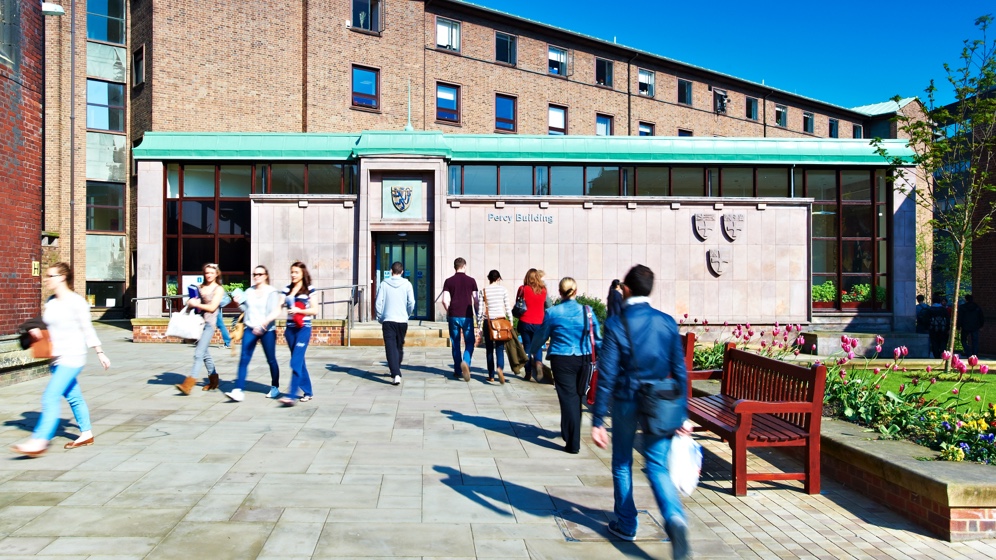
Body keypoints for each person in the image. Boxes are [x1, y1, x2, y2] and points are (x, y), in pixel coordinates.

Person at [591, 264, 690, 558]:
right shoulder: (667, 322)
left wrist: (598, 419)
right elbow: (679, 370)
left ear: (627, 289)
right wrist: (683, 413)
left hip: (626, 399)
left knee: (622, 461)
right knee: (657, 466)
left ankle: (626, 522)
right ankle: (674, 517)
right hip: (660, 402)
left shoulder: (617, 323)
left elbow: (607, 373)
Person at [10, 263, 112, 457]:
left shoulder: (77, 302)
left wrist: (100, 352)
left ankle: (39, 441)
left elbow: (87, 329)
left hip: (72, 356)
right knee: (74, 397)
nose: (47, 279)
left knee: (50, 396)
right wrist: (35, 330)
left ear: (62, 277)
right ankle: (86, 433)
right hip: (56, 358)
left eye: (51, 275)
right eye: (47, 275)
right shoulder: (51, 301)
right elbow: (46, 324)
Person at [529, 277, 601, 453]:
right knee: (577, 397)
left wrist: (532, 349)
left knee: (568, 398)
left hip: (561, 359)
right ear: (576, 291)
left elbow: (542, 334)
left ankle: (572, 440)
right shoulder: (588, 311)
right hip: (584, 359)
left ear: (560, 293)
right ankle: (571, 434)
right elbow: (597, 337)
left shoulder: (553, 312)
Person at [225, 266, 282, 402]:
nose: (256, 276)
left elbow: (272, 312)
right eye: (254, 274)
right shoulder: (249, 291)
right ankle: (238, 390)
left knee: (271, 359)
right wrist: (238, 303)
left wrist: (263, 325)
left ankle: (275, 387)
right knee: (244, 358)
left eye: (260, 274)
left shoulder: (271, 292)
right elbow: (246, 309)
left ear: (265, 276)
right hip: (250, 328)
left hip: (267, 329)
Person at [175, 263, 225, 394]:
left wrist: (198, 304)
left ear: (216, 274)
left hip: (209, 325)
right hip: (197, 324)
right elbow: (190, 302)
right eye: (206, 273)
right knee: (205, 354)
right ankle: (214, 381)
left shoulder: (218, 289)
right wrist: (190, 303)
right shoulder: (200, 287)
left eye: (211, 273)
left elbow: (213, 307)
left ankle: (188, 385)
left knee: (198, 354)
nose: (208, 275)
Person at [278, 261, 317, 405]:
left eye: (296, 272)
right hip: (290, 330)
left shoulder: (309, 289)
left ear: (303, 274)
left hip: (303, 329)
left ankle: (292, 394)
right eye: (292, 272)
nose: (293, 275)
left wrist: (299, 310)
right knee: (299, 361)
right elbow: (279, 305)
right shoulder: (287, 289)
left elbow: (314, 310)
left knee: (295, 361)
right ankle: (308, 391)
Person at [376, 261, 416, 386]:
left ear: (390, 270)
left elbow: (378, 302)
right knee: (399, 346)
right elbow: (412, 302)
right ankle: (396, 370)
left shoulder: (384, 284)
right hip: (402, 320)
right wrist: (407, 314)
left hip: (388, 320)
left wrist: (379, 317)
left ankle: (395, 372)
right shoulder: (407, 284)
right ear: (402, 271)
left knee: (390, 346)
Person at [441, 257, 479, 382]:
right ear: (465, 266)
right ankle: (466, 362)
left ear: (455, 267)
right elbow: (476, 300)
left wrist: (449, 311)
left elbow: (444, 300)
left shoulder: (449, 281)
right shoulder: (471, 281)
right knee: (469, 342)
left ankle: (458, 370)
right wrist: (477, 314)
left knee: (455, 343)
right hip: (467, 315)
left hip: (453, 315)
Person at [516, 268, 547, 382]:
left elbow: (518, 303)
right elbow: (546, 304)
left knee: (527, 347)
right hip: (539, 322)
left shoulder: (523, 289)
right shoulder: (543, 290)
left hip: (525, 321)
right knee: (538, 345)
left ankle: (528, 373)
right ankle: (538, 362)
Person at [481, 269, 511, 384]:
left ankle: (491, 375)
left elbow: (480, 311)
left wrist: (478, 325)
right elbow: (507, 306)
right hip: (501, 322)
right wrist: (511, 320)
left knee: (489, 349)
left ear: (489, 278)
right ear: (498, 278)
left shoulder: (484, 291)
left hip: (488, 322)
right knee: (500, 348)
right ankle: (500, 369)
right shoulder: (503, 290)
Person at [927, 293, 951, 359]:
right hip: (943, 329)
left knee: (934, 343)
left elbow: (926, 320)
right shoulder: (944, 309)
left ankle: (936, 356)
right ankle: (943, 355)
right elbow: (948, 319)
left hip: (933, 329)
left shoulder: (930, 309)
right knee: (943, 342)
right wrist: (948, 328)